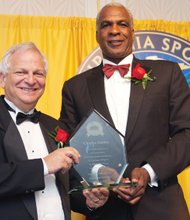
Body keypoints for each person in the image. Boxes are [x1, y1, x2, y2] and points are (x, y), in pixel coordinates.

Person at [59, 2, 190, 220]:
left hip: (162, 208)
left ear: (132, 32)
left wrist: (149, 172)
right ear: (97, 35)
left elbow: (187, 133)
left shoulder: (168, 74)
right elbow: (68, 150)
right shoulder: (75, 87)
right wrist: (98, 175)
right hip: (106, 210)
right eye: (106, 25)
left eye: (122, 24)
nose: (114, 30)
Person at [0, 42, 81, 220]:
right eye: (21, 72)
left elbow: (69, 187)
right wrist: (43, 165)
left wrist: (90, 200)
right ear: (2, 79)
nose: (30, 80)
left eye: (38, 73)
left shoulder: (55, 126)